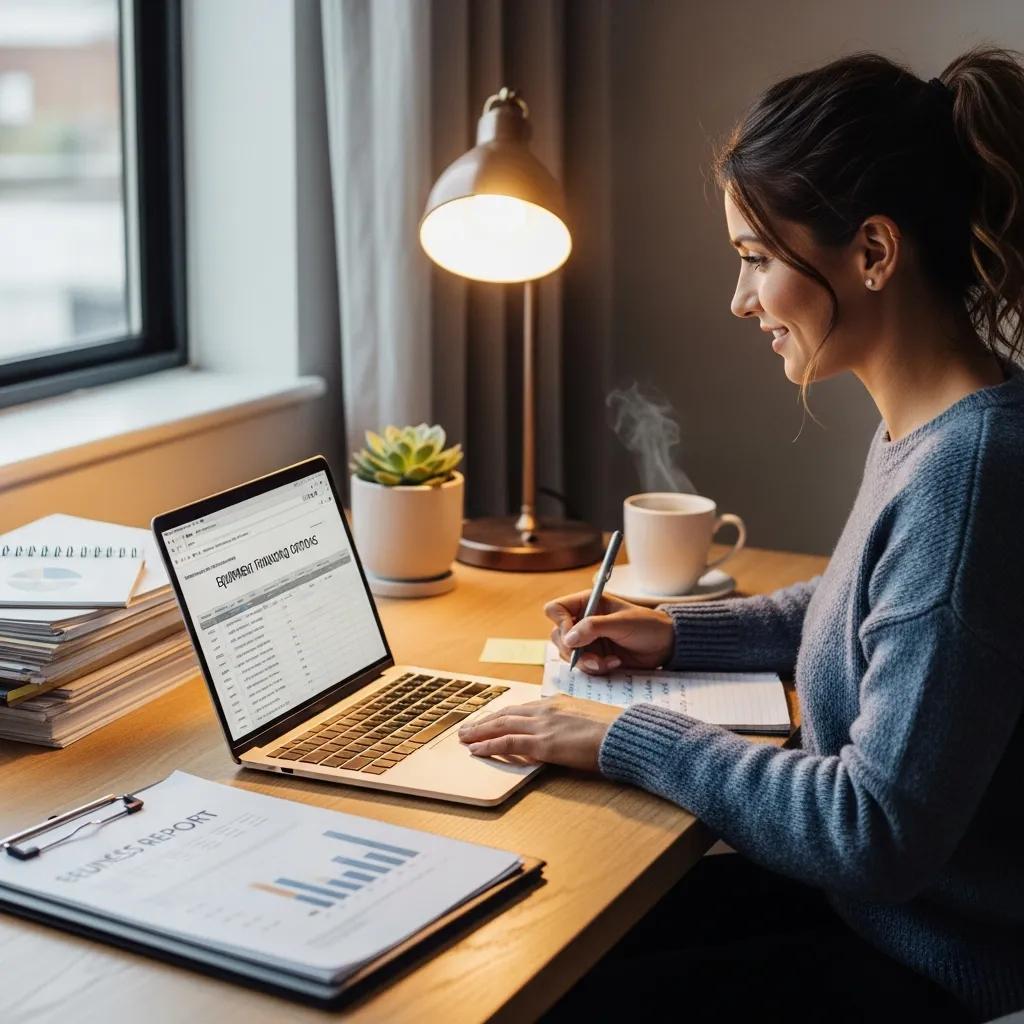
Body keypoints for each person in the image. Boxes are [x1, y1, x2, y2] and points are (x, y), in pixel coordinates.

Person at [458, 46, 1024, 1022]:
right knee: (532, 931)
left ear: (874, 253)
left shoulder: (967, 476)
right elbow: (870, 608)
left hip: (936, 962)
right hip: (873, 918)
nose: (740, 299)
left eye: (757, 259)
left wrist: (624, 737)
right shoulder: (940, 428)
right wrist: (676, 632)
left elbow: (869, 830)